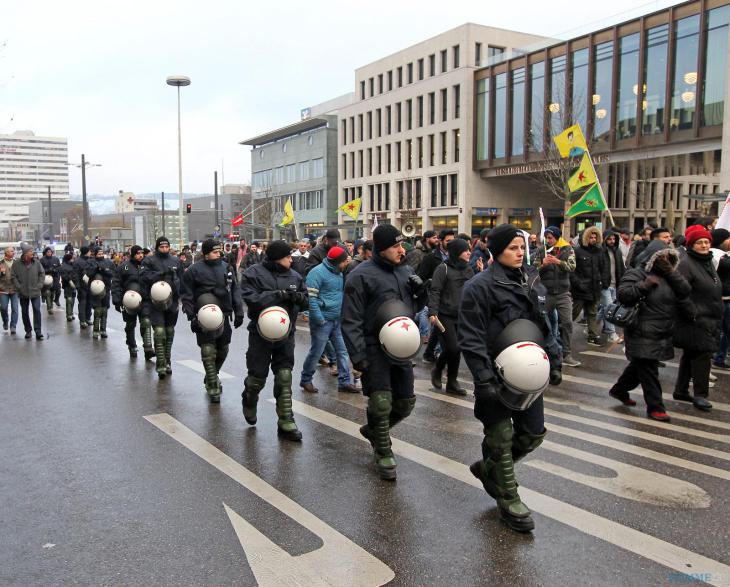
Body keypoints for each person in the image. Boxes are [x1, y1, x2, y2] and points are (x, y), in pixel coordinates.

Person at [458, 224, 561, 532]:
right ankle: (509, 501)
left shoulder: (530, 281)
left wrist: (554, 359)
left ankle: (488, 469)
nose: (519, 252)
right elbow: (471, 336)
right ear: (497, 250)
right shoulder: (479, 286)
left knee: (531, 434)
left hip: (530, 373)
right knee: (501, 437)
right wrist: (484, 378)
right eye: (513, 247)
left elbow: (544, 325)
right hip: (497, 374)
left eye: (521, 247)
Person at [342, 224, 428, 480]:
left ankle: (374, 430)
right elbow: (351, 318)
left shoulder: (406, 271)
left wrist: (420, 292)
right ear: (381, 249)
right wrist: (358, 356)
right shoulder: (360, 275)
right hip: (373, 346)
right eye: (395, 246)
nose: (402, 250)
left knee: (405, 403)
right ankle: (383, 450)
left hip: (401, 347)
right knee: (381, 402)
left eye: (402, 245)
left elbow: (414, 308)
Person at [608, 241, 691, 421]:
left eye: (669, 258)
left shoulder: (670, 276)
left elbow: (685, 290)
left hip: (662, 330)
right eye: (661, 258)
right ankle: (656, 408)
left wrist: (671, 272)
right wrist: (644, 285)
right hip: (641, 329)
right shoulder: (636, 273)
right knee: (648, 368)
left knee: (640, 366)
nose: (665, 261)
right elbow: (624, 295)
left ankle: (619, 389)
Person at [239, 240, 308, 441]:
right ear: (279, 257)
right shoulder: (253, 273)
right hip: (260, 334)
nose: (291, 259)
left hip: (286, 333)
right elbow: (250, 298)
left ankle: (286, 419)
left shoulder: (295, 275)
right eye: (288, 256)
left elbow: (307, 300)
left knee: (284, 375)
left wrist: (298, 298)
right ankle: (249, 399)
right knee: (257, 377)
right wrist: (277, 295)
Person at [181, 239, 245, 402]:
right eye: (215, 252)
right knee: (208, 351)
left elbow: (235, 290)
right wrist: (191, 316)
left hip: (224, 314)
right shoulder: (193, 271)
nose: (219, 254)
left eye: (220, 252)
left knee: (223, 350)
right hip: (204, 316)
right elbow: (186, 295)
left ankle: (212, 375)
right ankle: (213, 386)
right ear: (206, 254)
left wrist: (239, 311)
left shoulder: (227, 268)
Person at [673, 225, 722, 411]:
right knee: (703, 354)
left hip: (709, 316)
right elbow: (680, 292)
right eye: (699, 242)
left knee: (691, 353)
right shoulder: (686, 263)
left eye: (706, 242)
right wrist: (692, 312)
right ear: (691, 245)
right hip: (696, 318)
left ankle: (681, 389)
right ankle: (700, 395)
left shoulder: (707, 261)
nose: (704, 245)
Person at [299, 246, 358, 394]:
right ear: (337, 262)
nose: (346, 264)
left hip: (337, 319)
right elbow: (311, 299)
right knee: (317, 352)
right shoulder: (316, 273)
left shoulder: (339, 272)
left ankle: (344, 382)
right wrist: (319, 319)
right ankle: (306, 380)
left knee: (342, 351)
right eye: (344, 261)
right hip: (323, 321)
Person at [428, 238, 474, 395]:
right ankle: (438, 369)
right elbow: (435, 290)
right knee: (452, 347)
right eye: (465, 250)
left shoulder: (468, 269)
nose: (469, 252)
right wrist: (432, 312)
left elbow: (473, 291)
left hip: (462, 315)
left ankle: (452, 382)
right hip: (444, 315)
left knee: (458, 348)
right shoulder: (443, 268)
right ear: (456, 252)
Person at [533, 226, 580, 366]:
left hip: (563, 293)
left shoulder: (567, 249)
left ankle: (567, 354)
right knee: (542, 322)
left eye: (551, 238)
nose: (548, 240)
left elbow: (572, 267)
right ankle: (542, 351)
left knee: (567, 323)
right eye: (546, 238)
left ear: (557, 238)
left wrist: (558, 262)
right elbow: (533, 271)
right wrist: (543, 264)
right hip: (546, 293)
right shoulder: (541, 250)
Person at [141, 236, 182, 379]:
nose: (164, 249)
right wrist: (160, 274)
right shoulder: (149, 260)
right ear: (157, 247)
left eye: (167, 247)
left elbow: (182, 278)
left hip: (172, 301)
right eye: (162, 247)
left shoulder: (175, 260)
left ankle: (167, 360)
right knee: (159, 331)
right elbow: (143, 276)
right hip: (154, 301)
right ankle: (160, 363)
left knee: (169, 331)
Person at [419, 229, 454, 362]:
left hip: (450, 297)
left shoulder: (454, 256)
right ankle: (440, 353)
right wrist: (431, 283)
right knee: (443, 326)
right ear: (440, 241)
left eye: (453, 241)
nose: (451, 244)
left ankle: (429, 353)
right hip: (435, 297)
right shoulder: (430, 257)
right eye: (448, 241)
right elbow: (421, 277)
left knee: (439, 327)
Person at [112, 245, 153, 358]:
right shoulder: (123, 267)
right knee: (130, 324)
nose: (140, 255)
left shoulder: (147, 266)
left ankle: (148, 347)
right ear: (133, 254)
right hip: (128, 300)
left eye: (141, 253)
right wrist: (116, 299)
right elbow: (116, 283)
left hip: (144, 299)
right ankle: (131, 345)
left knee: (146, 322)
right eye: (137, 253)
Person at [570, 226, 606, 346]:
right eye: (591, 237)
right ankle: (561, 332)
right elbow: (572, 270)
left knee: (592, 313)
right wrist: (578, 284)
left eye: (595, 237)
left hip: (594, 288)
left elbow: (602, 268)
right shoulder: (577, 251)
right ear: (586, 237)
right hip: (581, 289)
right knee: (573, 313)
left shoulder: (599, 251)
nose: (593, 239)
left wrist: (602, 282)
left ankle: (592, 335)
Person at [11, 243, 45, 340]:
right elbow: (13, 277)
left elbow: (42, 273)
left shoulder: (37, 263)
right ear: (26, 253)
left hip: (35, 291)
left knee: (37, 310)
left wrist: (39, 285)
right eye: (31, 251)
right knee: (24, 311)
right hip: (23, 292)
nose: (33, 253)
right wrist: (19, 287)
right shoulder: (16, 264)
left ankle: (38, 331)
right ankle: (28, 331)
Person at [598, 230, 625, 343]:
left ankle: (593, 326)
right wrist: (600, 281)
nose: (612, 241)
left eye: (614, 239)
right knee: (610, 308)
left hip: (615, 285)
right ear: (604, 239)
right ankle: (611, 333)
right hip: (604, 285)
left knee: (605, 308)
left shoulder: (617, 251)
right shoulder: (601, 251)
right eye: (609, 239)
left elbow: (621, 268)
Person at [710, 228, 730, 370]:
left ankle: (720, 357)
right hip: (720, 299)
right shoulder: (715, 256)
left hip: (726, 297)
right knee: (719, 331)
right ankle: (718, 357)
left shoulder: (725, 255)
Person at [86, 246, 115, 339]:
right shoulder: (90, 262)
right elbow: (88, 274)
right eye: (99, 254)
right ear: (95, 254)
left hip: (106, 288)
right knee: (97, 310)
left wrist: (103, 270)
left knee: (104, 310)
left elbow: (113, 273)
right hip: (95, 289)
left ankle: (103, 330)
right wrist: (96, 269)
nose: (101, 255)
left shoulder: (109, 262)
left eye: (102, 253)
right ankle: (95, 330)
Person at [0, 246, 19, 334]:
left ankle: (13, 326)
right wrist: (1, 273)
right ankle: (5, 321)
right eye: (11, 251)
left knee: (15, 309)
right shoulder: (1, 263)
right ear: (6, 253)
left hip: (14, 290)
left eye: (13, 251)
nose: (13, 252)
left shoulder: (17, 263)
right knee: (3, 308)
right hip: (3, 290)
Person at [74, 246, 94, 329]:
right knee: (82, 303)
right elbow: (75, 275)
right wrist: (78, 286)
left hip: (90, 285)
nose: (90, 253)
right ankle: (82, 320)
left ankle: (88, 318)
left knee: (89, 303)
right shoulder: (78, 262)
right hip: (82, 286)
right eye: (89, 251)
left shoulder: (90, 260)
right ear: (86, 252)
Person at [39, 246, 60, 314]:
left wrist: (55, 270)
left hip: (54, 278)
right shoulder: (42, 260)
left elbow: (59, 267)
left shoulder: (56, 259)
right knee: (47, 292)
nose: (49, 253)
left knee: (52, 293)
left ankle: (51, 304)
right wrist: (48, 270)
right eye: (48, 252)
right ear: (45, 252)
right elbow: (40, 269)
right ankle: (49, 307)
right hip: (46, 278)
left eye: (50, 252)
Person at [58, 252, 77, 322]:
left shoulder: (73, 265)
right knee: (69, 299)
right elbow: (63, 274)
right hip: (67, 285)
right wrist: (69, 280)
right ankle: (69, 314)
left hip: (74, 285)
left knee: (73, 299)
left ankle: (71, 313)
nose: (73, 259)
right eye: (72, 258)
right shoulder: (63, 266)